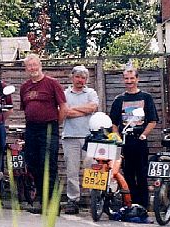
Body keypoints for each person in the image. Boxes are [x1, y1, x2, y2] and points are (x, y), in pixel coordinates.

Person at [19, 54, 68, 213]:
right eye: (29, 66)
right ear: (26, 69)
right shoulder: (24, 87)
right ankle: (42, 202)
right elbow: (25, 108)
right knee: (33, 165)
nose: (32, 68)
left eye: (35, 65)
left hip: (48, 129)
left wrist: (53, 125)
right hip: (31, 129)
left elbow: (64, 108)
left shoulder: (52, 83)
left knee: (48, 166)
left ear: (40, 65)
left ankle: (54, 205)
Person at [109, 67, 157, 210]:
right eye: (126, 79)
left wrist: (144, 135)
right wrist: (117, 138)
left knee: (141, 175)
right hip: (124, 143)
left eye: (132, 78)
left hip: (140, 142)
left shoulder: (146, 98)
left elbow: (153, 121)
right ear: (123, 80)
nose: (129, 81)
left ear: (137, 79)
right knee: (127, 175)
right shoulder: (119, 100)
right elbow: (113, 123)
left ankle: (142, 207)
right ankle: (129, 206)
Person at [61, 66, 99, 214]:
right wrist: (83, 110)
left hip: (89, 137)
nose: (80, 80)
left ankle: (94, 199)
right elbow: (64, 112)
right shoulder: (64, 94)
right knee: (72, 172)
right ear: (72, 77)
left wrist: (73, 110)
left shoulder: (91, 92)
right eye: (78, 77)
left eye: (83, 77)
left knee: (91, 169)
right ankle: (73, 200)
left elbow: (93, 108)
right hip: (70, 137)